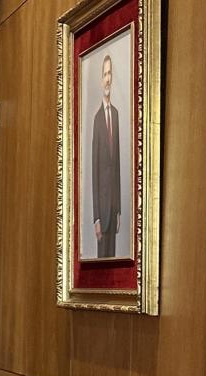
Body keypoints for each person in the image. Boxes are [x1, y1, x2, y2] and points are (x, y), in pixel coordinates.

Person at [91, 54, 123, 259]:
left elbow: (117, 165)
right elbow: (94, 172)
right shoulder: (96, 119)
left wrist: (118, 209)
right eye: (105, 74)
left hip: (113, 210)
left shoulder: (117, 115)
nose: (108, 79)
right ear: (101, 79)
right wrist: (96, 218)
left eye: (110, 73)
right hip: (102, 213)